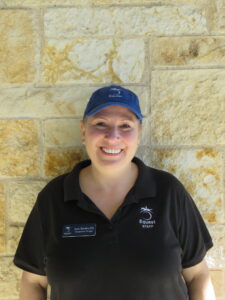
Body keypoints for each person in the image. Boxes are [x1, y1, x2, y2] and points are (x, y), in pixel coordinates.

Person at [14, 85, 216, 300]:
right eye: (100, 124)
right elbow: (33, 281)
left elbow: (198, 277)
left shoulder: (168, 192)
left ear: (139, 134)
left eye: (126, 125)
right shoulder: (54, 197)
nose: (113, 136)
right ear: (83, 131)